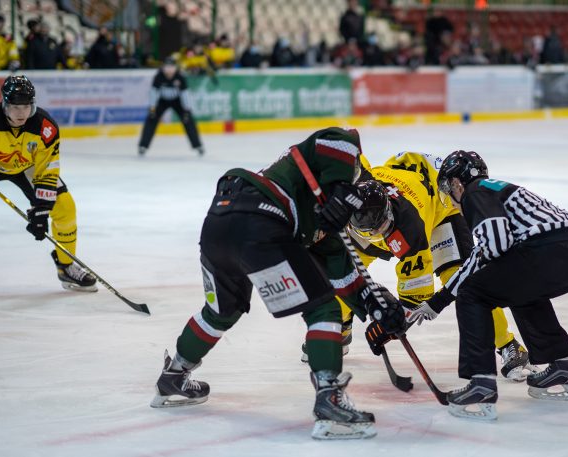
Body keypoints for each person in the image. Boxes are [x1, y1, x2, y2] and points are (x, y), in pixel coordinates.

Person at [150, 127, 406, 440]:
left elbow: (344, 277)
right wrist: (341, 188)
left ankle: (174, 375)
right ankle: (330, 399)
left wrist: (372, 304)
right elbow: (339, 137)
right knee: (323, 307)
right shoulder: (310, 167)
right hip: (260, 219)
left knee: (221, 311)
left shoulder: (324, 227)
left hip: (219, 221)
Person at [407, 150, 568, 420]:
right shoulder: (497, 187)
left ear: (456, 184)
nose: (450, 199)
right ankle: (562, 365)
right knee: (521, 289)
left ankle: (481, 383)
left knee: (472, 293)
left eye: (448, 189)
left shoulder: (475, 192)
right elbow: (497, 252)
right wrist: (439, 301)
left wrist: (441, 299)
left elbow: (494, 246)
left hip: (551, 250)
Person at [338, 152, 532, 381]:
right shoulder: (355, 195)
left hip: (439, 207)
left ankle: (509, 345)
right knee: (344, 271)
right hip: (404, 180)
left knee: (463, 280)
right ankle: (340, 328)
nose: (376, 235)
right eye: (370, 232)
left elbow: (416, 296)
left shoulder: (411, 231)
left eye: (381, 229)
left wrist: (390, 324)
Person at [0, 75, 97, 292]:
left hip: (27, 167)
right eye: (15, 107)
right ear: (5, 104)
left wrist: (42, 209)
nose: (21, 113)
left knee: (65, 207)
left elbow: (47, 170)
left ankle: (66, 266)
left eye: (26, 106)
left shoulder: (44, 127)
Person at [137, 57, 204, 156]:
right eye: (167, 67)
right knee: (151, 119)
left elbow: (185, 94)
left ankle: (198, 146)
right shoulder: (158, 77)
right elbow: (153, 93)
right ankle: (143, 146)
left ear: (176, 68)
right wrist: (152, 108)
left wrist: (187, 110)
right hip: (162, 101)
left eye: (172, 67)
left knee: (188, 120)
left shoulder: (180, 77)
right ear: (163, 68)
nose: (169, 70)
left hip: (177, 101)